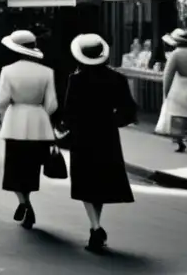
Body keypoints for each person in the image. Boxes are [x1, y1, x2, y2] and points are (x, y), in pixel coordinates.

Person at [63, 34, 137, 253]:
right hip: (106, 135)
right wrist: (113, 122)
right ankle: (96, 226)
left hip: (82, 134)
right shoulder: (117, 78)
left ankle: (95, 226)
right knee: (101, 180)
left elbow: (68, 113)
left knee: (86, 181)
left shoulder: (75, 80)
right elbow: (129, 110)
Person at [0, 30, 57, 231]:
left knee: (14, 168)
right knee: (31, 169)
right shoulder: (46, 72)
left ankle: (24, 203)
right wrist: (41, 115)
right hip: (38, 124)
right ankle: (26, 201)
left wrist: (6, 115)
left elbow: (1, 100)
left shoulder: (8, 70)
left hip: (15, 122)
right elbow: (52, 104)